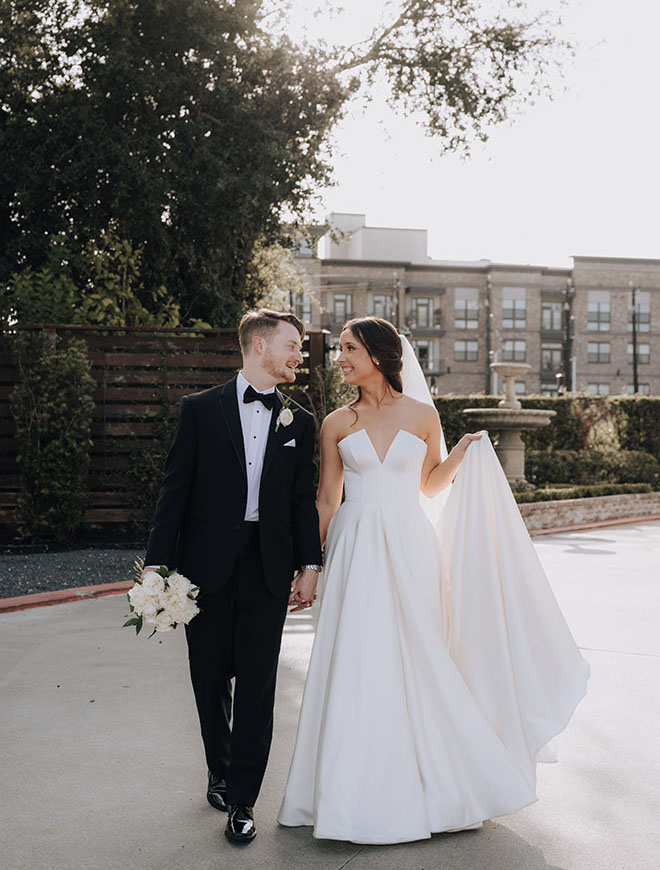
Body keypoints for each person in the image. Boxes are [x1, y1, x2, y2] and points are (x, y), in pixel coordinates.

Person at [277, 316, 590, 844]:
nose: (339, 359)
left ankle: (438, 781)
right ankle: (348, 791)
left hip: (411, 547)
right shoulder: (335, 422)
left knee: (417, 658)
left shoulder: (423, 416)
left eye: (348, 349)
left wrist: (462, 454)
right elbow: (327, 500)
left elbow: (427, 485)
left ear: (377, 355)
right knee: (355, 660)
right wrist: (309, 566)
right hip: (355, 549)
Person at [142, 309, 323, 845]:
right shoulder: (198, 411)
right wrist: (156, 564)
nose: (299, 355)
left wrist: (309, 565)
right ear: (260, 345)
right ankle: (218, 771)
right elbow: (175, 492)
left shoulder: (300, 421)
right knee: (209, 676)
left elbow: (301, 503)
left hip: (268, 567)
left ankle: (243, 799)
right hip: (206, 566)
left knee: (258, 686)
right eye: (292, 345)